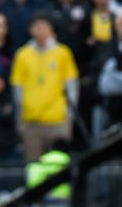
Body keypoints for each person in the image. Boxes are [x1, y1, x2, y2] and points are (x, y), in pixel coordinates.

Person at [10, 14, 79, 162]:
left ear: (51, 30)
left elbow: (71, 85)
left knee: (59, 166)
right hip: (31, 121)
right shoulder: (22, 54)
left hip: (58, 120)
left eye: (44, 26)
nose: (40, 30)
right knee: (33, 167)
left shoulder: (62, 52)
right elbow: (17, 88)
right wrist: (20, 117)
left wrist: (69, 116)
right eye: (37, 27)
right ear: (31, 30)